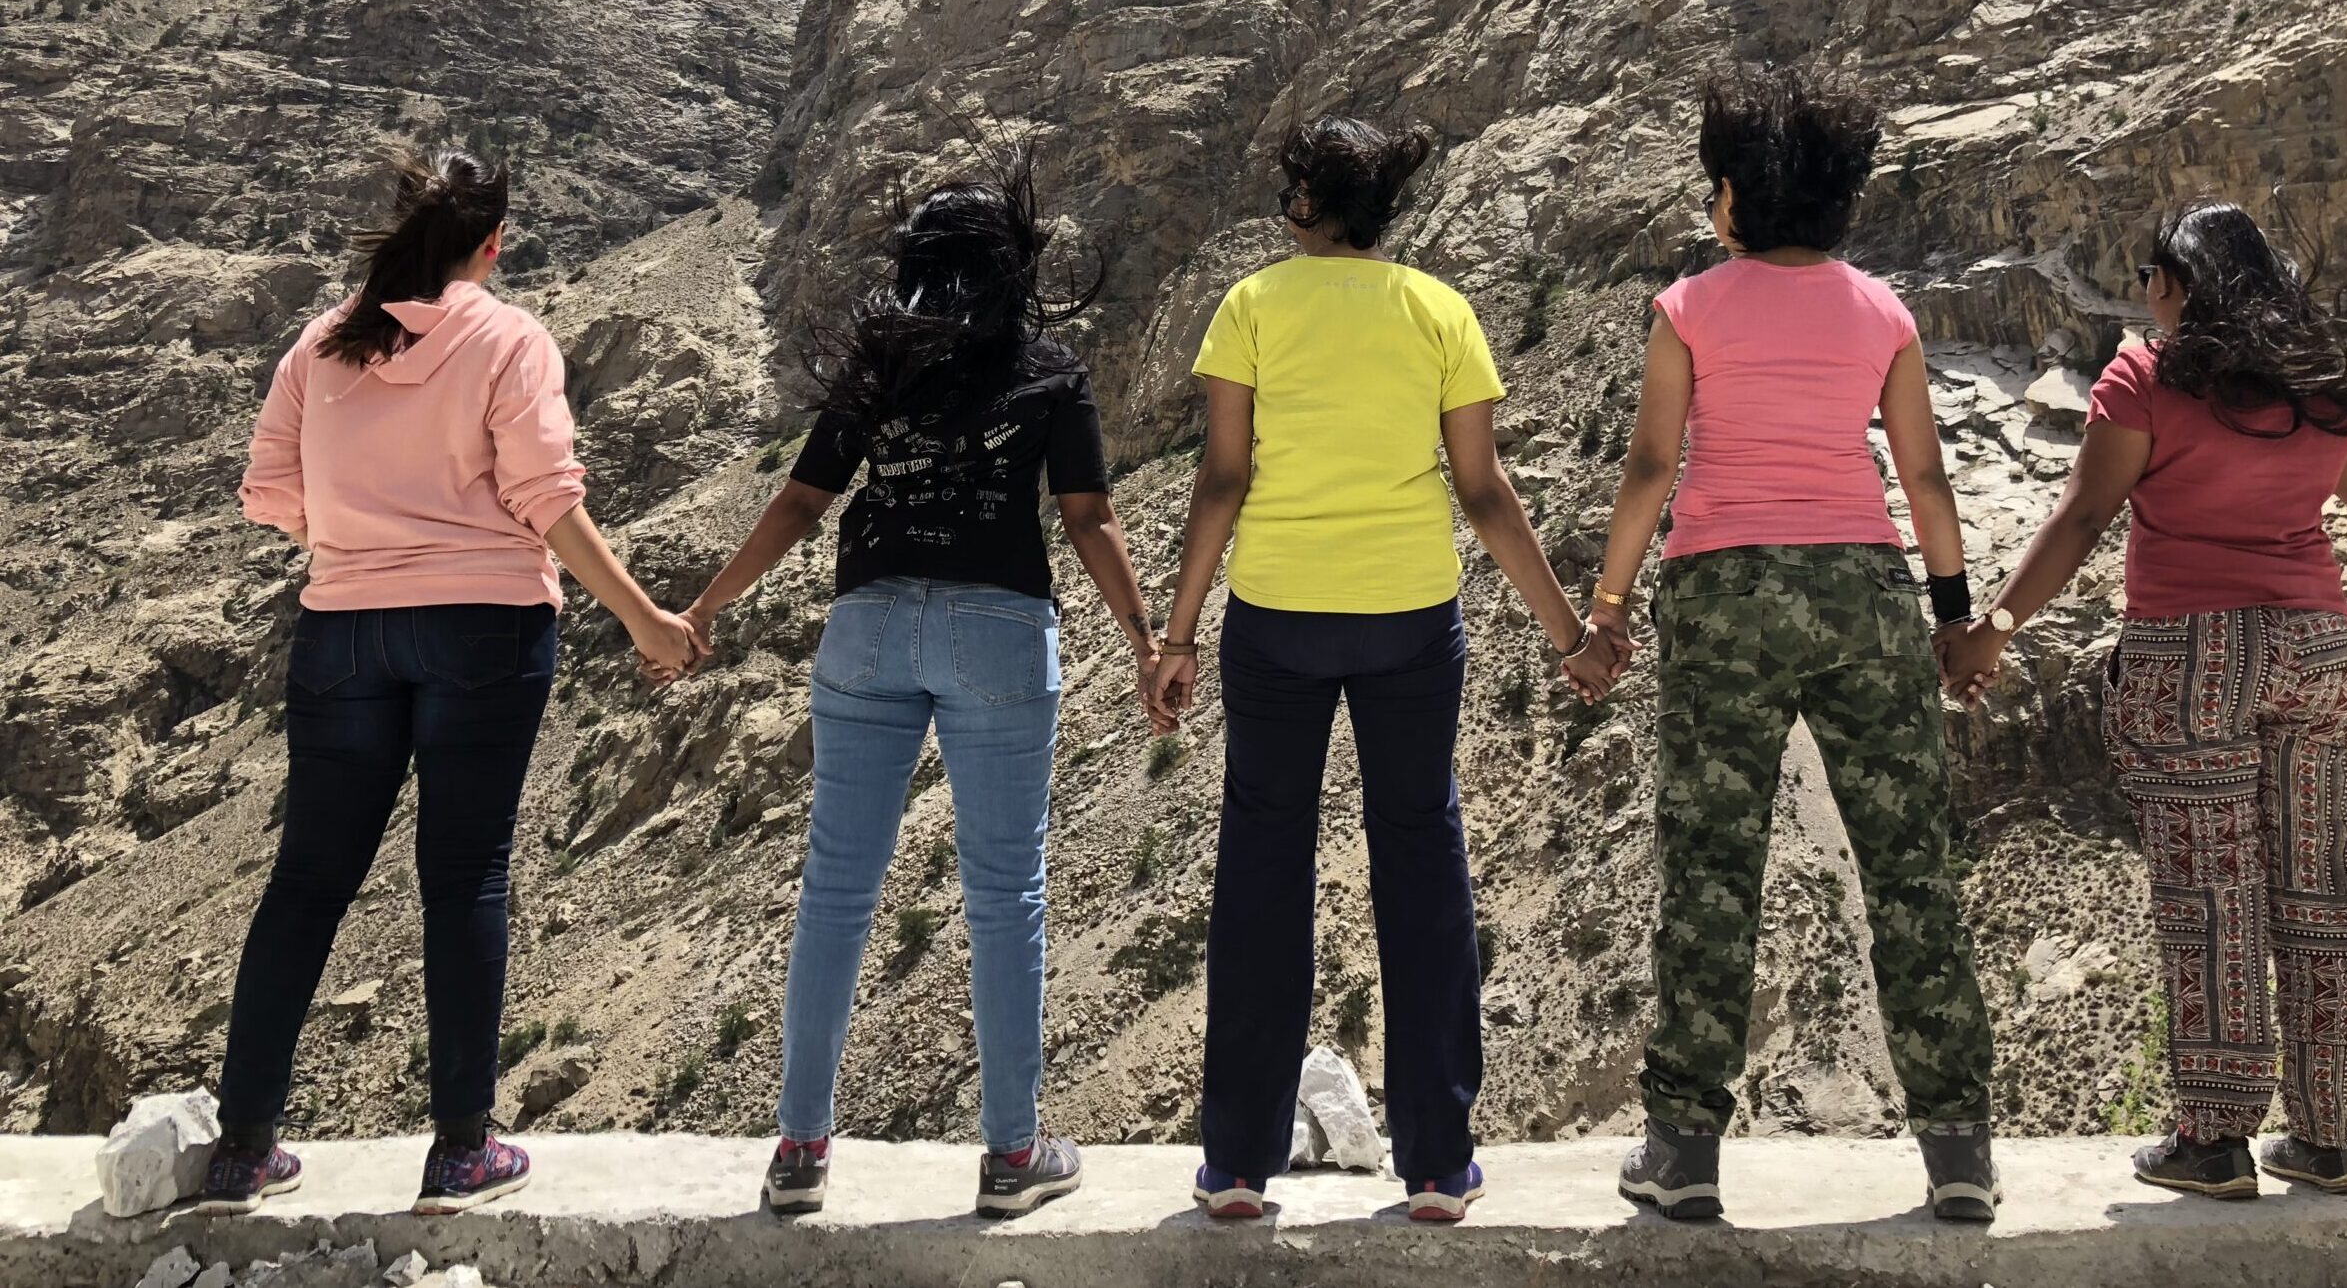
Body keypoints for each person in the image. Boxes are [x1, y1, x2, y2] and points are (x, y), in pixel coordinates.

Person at [1937, 201, 2347, 1200]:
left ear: (2178, 282)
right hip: (2312, 649)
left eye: (2149, 276)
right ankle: (2328, 1138)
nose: (2143, 295)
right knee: (2326, 885)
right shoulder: (2316, 386)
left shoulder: (2145, 378)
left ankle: (2214, 1138)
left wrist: (1993, 627)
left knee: (2212, 893)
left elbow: (2085, 515)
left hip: (2189, 656)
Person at [206, 149, 700, 1216]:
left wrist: (359, 535)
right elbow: (545, 495)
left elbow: (267, 493)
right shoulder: (509, 338)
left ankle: (241, 1150)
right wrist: (643, 617)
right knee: (465, 876)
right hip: (485, 625)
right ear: (493, 243)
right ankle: (461, 1151)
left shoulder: (320, 343)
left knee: (307, 880)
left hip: (342, 628)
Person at [678, 160, 1159, 1221]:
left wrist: (705, 605)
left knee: (836, 890)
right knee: (1005, 892)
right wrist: (1146, 640)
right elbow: (1088, 517)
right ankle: (1013, 1153)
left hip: (869, 625)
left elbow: (802, 501)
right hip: (998, 629)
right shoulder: (1049, 367)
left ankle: (799, 1151)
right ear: (1011, 264)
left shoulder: (877, 363)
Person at [1151, 115, 1606, 1227]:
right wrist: (1568, 633)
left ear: (1309, 201)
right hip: (1409, 615)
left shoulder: (1252, 305)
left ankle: (1239, 1163)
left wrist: (1178, 632)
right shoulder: (1440, 309)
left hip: (1277, 616)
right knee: (1421, 855)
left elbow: (1222, 480)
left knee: (1264, 862)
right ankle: (1440, 1163)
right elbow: (1484, 491)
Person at [1580, 65, 1999, 1225]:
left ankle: (1683, 1150)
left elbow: (1652, 466)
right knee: (1908, 864)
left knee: (1713, 868)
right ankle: (1959, 1148)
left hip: (1722, 592)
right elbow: (1923, 475)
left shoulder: (1688, 307)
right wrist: (1953, 614)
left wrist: (1609, 605)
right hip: (1863, 587)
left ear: (1734, 195)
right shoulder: (1883, 313)